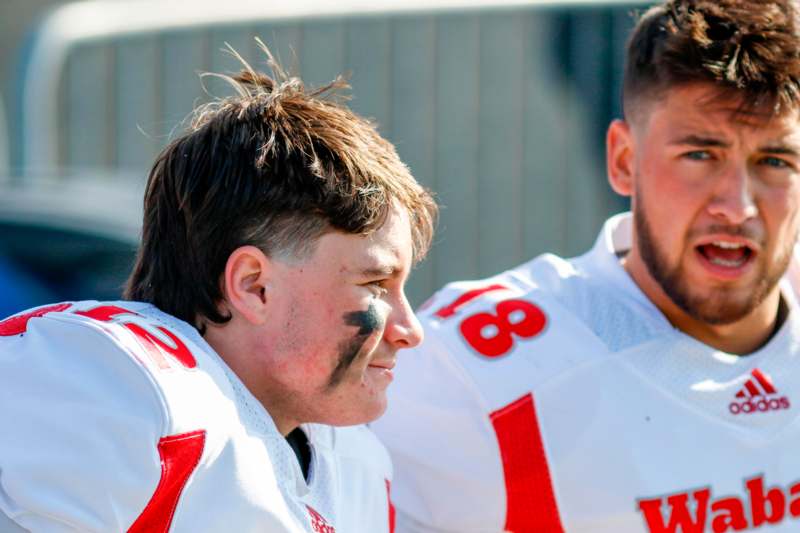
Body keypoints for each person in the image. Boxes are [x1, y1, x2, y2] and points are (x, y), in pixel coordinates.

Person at [371, 1, 800, 531]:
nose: (737, 207)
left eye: (775, 161)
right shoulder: (476, 371)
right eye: (699, 155)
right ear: (624, 161)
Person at [0, 44, 436, 533]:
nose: (408, 329)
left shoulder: (356, 464)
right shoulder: (117, 381)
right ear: (254, 286)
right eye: (375, 283)